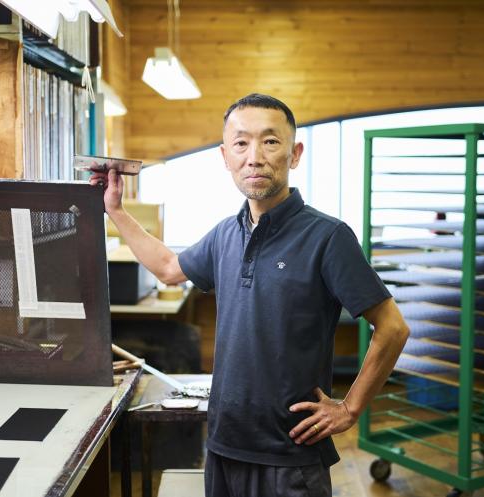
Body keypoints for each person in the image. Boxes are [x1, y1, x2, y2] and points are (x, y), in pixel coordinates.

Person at [91, 93, 409, 497]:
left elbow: (393, 327)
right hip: (224, 444)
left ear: (294, 154)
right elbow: (170, 269)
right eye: (241, 143)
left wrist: (350, 408)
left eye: (270, 142)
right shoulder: (226, 232)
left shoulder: (328, 237)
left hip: (290, 453)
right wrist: (116, 211)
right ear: (226, 157)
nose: (254, 157)